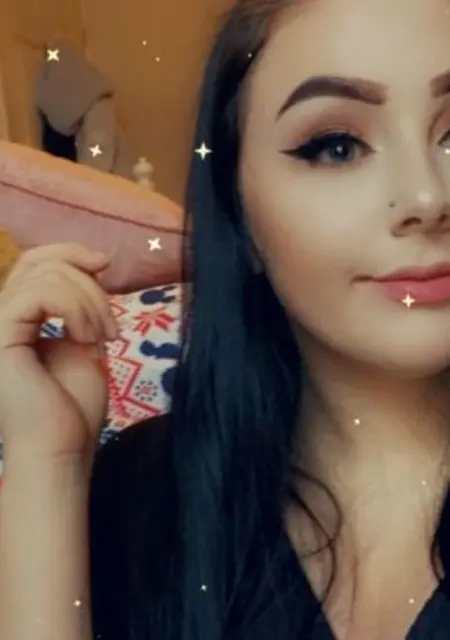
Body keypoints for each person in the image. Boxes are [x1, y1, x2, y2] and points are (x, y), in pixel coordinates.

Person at [3, 0, 450, 637]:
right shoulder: (147, 493)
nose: (428, 198)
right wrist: (48, 470)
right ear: (240, 219)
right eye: (336, 147)